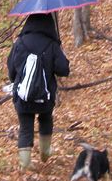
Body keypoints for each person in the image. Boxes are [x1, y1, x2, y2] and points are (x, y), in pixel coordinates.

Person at [7, 13, 70, 169]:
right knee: (46, 120)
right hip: (45, 97)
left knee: (25, 128)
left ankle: (25, 164)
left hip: (23, 96)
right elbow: (64, 70)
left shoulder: (19, 43)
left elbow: (11, 71)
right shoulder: (52, 44)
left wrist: (16, 81)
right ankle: (45, 152)